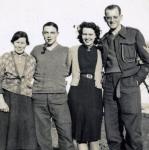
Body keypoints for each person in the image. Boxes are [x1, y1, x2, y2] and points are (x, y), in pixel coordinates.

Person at [101, 4, 149, 150]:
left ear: (121, 17)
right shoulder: (103, 39)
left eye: (115, 17)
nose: (112, 20)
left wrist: (137, 80)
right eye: (108, 18)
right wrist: (104, 80)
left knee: (132, 130)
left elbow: (147, 61)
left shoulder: (134, 34)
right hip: (109, 86)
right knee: (112, 131)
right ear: (105, 19)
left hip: (128, 84)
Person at [31, 22, 75, 150]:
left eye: (52, 32)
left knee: (65, 131)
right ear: (43, 34)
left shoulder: (66, 51)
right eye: (46, 32)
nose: (49, 35)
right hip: (39, 96)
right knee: (42, 135)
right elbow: (30, 70)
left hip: (59, 96)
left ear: (57, 34)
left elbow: (69, 70)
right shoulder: (36, 50)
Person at [68, 22, 103, 150]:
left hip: (95, 91)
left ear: (95, 36)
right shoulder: (73, 50)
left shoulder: (100, 51)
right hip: (77, 91)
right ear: (81, 35)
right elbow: (65, 70)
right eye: (85, 34)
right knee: (79, 131)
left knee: (94, 131)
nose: (87, 37)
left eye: (90, 34)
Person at [0, 31, 37, 150]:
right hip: (8, 97)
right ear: (13, 42)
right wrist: (1, 101)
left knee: (25, 130)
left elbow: (35, 78)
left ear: (26, 44)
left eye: (23, 43)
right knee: (8, 130)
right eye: (17, 42)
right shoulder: (5, 57)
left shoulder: (31, 59)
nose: (20, 45)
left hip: (25, 98)